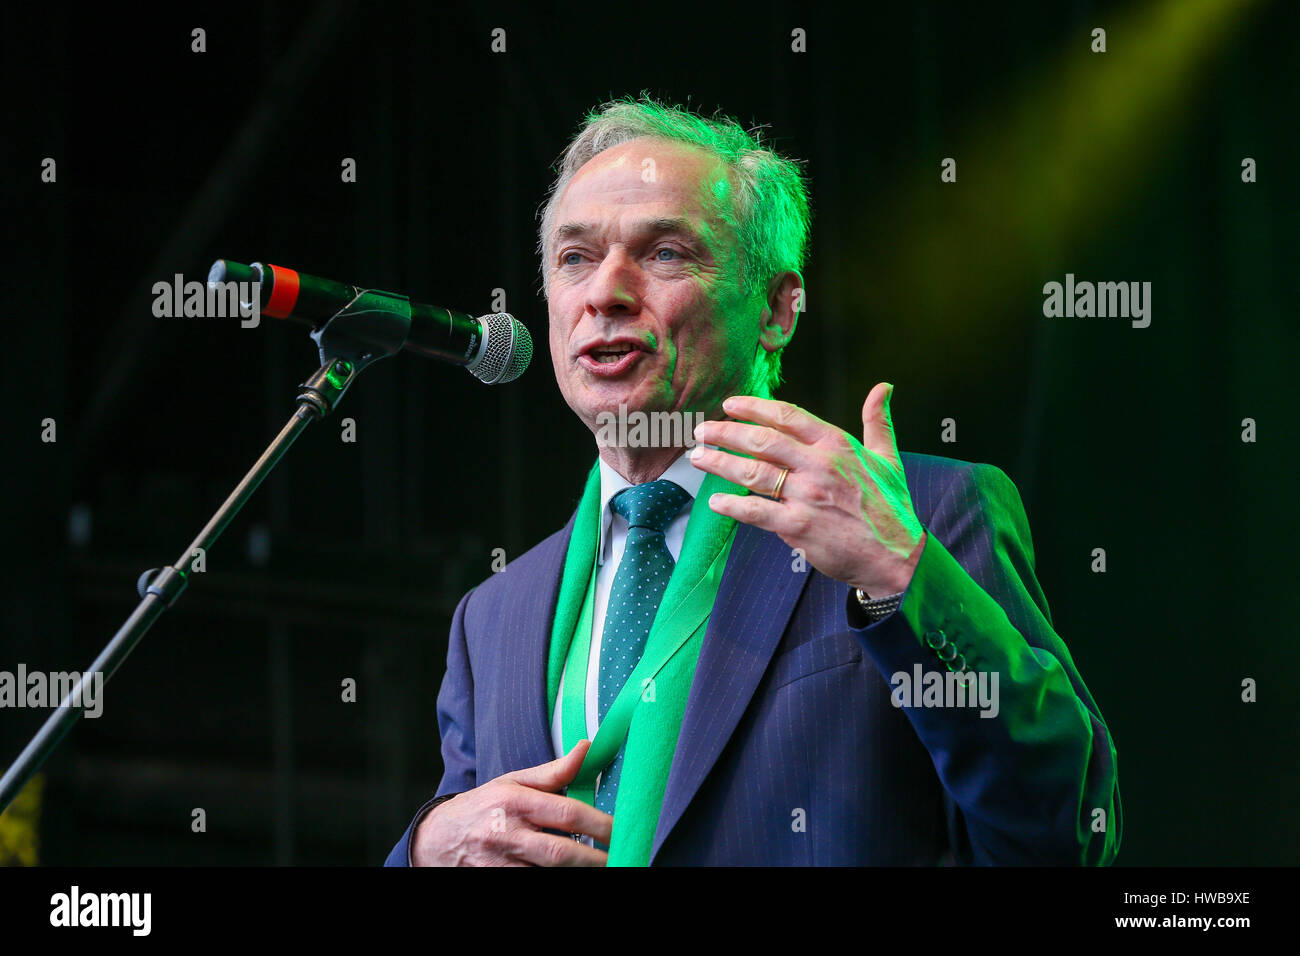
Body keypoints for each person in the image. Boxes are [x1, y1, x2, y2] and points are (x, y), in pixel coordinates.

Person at [384, 95, 1121, 866]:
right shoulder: (492, 617)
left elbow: (1066, 833)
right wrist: (430, 846)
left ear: (776, 309)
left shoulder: (924, 516)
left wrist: (901, 577)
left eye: (665, 252)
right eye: (575, 258)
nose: (604, 292)